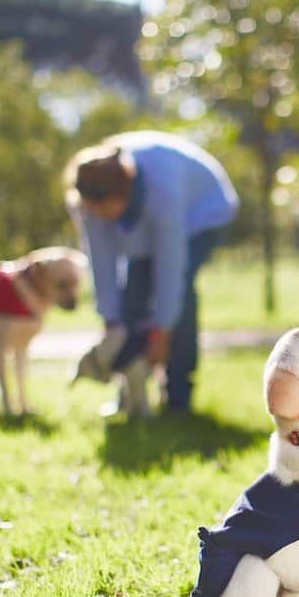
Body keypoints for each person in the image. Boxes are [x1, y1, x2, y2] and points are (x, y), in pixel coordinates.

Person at [64, 131, 239, 415]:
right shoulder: (88, 203)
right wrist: (111, 323)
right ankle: (129, 394)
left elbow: (171, 272)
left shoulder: (163, 194)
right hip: (152, 218)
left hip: (202, 212)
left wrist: (163, 334)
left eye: (106, 210)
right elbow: (102, 265)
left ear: (125, 195)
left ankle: (178, 396)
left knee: (179, 298)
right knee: (132, 296)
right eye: (94, 210)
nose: (101, 217)